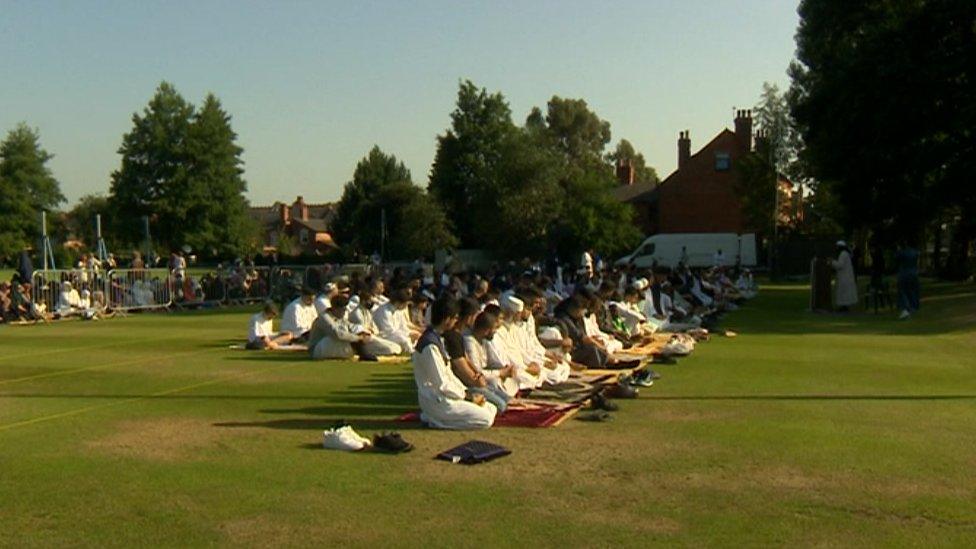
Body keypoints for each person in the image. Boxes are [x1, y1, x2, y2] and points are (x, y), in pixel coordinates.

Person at [411, 297, 497, 430]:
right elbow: (442, 385)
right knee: (486, 419)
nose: (456, 321)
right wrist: (467, 397)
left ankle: (437, 418)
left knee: (491, 408)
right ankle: (436, 421)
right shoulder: (430, 346)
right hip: (438, 401)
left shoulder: (438, 339)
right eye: (455, 318)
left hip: (449, 397)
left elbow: (448, 375)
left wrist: (466, 393)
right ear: (447, 320)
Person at [307, 294, 378, 360]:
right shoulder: (324, 318)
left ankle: (364, 352)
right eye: (343, 310)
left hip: (330, 345)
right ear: (335, 309)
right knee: (341, 337)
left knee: (354, 333)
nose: (344, 312)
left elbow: (351, 326)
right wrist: (358, 338)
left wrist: (364, 333)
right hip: (317, 349)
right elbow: (337, 333)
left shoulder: (340, 318)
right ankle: (363, 353)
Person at [347, 290, 403, 356]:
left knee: (395, 346)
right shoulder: (356, 313)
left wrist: (373, 330)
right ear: (363, 301)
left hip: (372, 336)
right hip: (364, 340)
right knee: (389, 349)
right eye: (370, 301)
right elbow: (361, 330)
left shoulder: (367, 311)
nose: (371, 303)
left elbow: (373, 326)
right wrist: (370, 330)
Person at [831, 240, 858, 312]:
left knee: (843, 292)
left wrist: (832, 262)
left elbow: (840, 265)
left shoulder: (843, 254)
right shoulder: (846, 253)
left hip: (844, 277)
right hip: (846, 276)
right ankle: (844, 306)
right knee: (844, 292)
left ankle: (844, 307)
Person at [895, 242, 920, 319]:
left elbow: (896, 260)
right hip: (913, 274)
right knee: (912, 291)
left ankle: (905, 308)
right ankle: (912, 307)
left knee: (902, 291)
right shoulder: (915, 252)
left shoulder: (901, 253)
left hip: (904, 274)